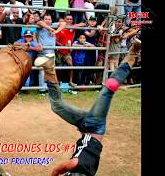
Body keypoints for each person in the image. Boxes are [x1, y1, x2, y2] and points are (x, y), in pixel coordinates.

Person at [35, 38, 141, 176]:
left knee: (57, 106)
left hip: (84, 125)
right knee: (108, 89)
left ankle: (49, 68)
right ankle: (133, 51)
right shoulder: (75, 165)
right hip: (95, 125)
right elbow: (58, 169)